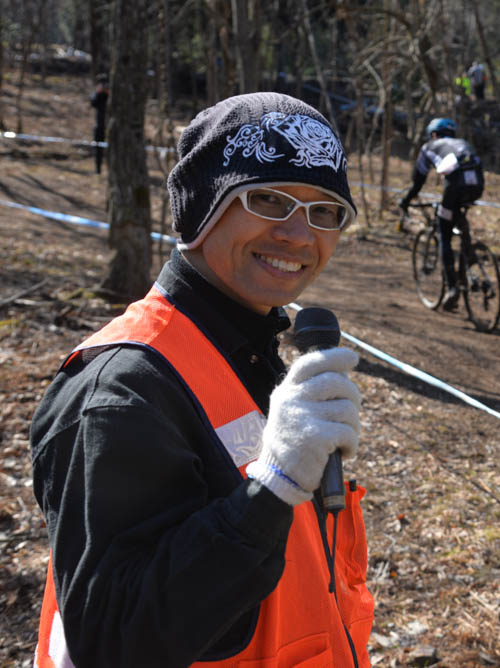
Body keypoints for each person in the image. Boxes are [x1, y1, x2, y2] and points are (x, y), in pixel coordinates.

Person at [31, 92, 374, 667]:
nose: (298, 234)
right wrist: (273, 487)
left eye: (324, 211)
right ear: (200, 209)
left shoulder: (251, 354)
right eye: (267, 198)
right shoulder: (121, 391)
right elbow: (114, 641)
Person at [398, 117, 484, 310]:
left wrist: (405, 201)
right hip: (477, 184)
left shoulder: (429, 146)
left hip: (456, 186)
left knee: (443, 232)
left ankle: (453, 288)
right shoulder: (463, 143)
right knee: (457, 216)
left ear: (433, 134)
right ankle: (470, 258)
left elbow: (418, 182)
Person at [90, 73, 109, 174]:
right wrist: (98, 92)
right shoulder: (97, 93)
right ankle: (98, 169)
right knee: (98, 148)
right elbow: (92, 102)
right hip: (100, 125)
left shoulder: (114, 94)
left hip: (112, 126)